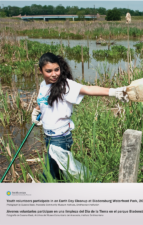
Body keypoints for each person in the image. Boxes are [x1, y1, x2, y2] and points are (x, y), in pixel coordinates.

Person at [31, 52, 128, 181]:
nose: (54, 74)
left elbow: (88, 89)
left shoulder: (65, 85)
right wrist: (37, 110)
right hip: (48, 137)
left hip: (59, 139)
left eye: (56, 70)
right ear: (40, 71)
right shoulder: (44, 85)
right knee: (59, 173)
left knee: (48, 175)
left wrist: (113, 92)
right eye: (48, 71)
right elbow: (45, 101)